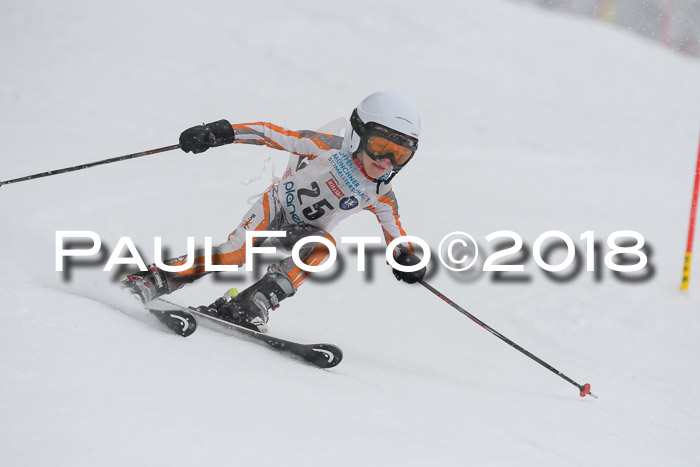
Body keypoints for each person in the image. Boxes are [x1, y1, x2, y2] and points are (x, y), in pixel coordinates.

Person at [121, 91, 427, 332]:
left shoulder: (381, 194)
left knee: (324, 248)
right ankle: (153, 280)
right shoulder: (328, 148)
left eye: (399, 154)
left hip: (304, 232)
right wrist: (221, 132)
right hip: (276, 208)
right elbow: (272, 134)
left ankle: (249, 304)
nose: (386, 160)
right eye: (379, 145)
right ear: (358, 134)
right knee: (234, 255)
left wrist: (406, 258)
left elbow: (396, 235)